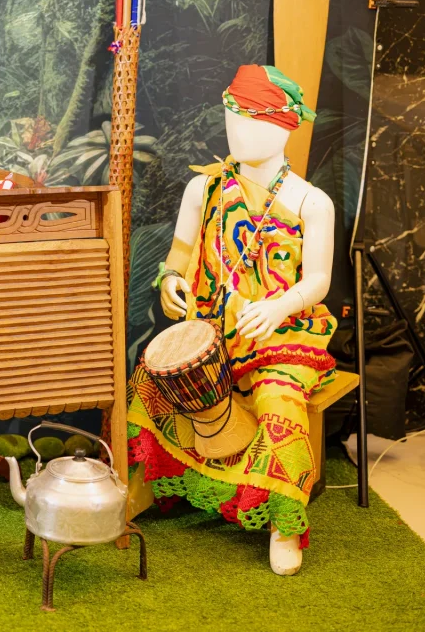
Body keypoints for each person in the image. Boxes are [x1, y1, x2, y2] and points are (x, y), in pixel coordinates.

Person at [126, 64, 338, 575]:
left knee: (279, 405)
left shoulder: (311, 202)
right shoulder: (204, 189)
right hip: (212, 326)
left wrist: (279, 306)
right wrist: (170, 280)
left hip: (282, 335)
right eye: (233, 121)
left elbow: (318, 281)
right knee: (150, 384)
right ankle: (140, 488)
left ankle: (284, 523)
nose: (239, 133)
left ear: (285, 127)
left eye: (254, 122)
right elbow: (179, 255)